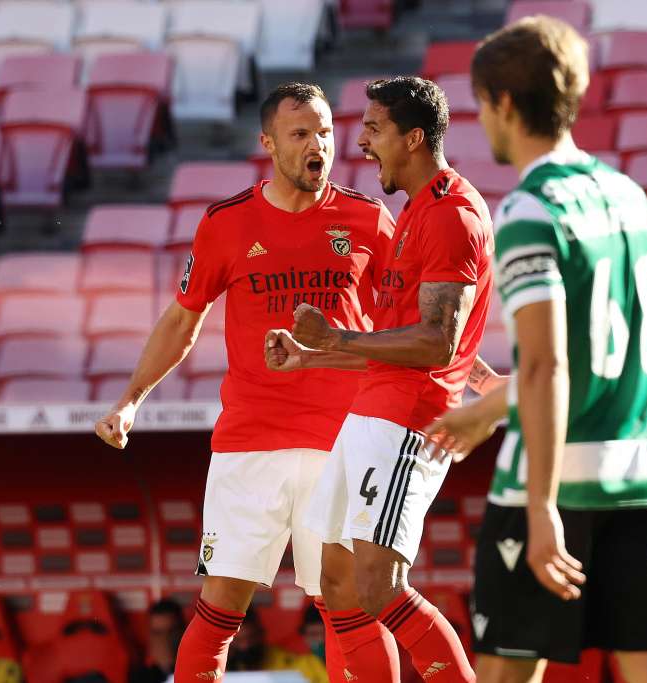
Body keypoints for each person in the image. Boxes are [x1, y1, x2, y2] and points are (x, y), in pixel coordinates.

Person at [424, 16, 647, 683]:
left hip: (547, 483)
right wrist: (488, 410)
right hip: (638, 474)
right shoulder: (628, 196)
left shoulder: (529, 209)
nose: (480, 120)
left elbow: (549, 364)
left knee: (503, 671)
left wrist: (541, 503)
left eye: (482, 104)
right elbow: (589, 352)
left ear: (506, 105)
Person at [94, 81, 396, 682]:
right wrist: (131, 400)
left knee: (351, 607)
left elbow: (404, 326)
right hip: (248, 444)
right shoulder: (226, 223)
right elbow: (183, 319)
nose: (319, 145)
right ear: (268, 143)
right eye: (300, 133)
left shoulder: (368, 220)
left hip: (342, 442)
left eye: (326, 132)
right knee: (219, 608)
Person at [265, 76, 493, 683]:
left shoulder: (452, 215)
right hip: (372, 412)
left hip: (407, 422)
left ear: (413, 138)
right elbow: (395, 344)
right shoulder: (418, 211)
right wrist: (310, 357)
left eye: (373, 130)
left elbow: (435, 342)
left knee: (379, 584)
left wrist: (336, 338)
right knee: (336, 579)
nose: (360, 143)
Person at [227, 608, 327, 683]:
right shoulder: (222, 669)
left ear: (262, 633)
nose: (245, 646)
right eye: (239, 640)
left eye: (251, 638)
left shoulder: (305, 664)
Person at [129, 599, 186, 683]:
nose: (164, 640)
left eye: (171, 632)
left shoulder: (202, 673)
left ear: (184, 632)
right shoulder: (140, 678)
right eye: (158, 633)